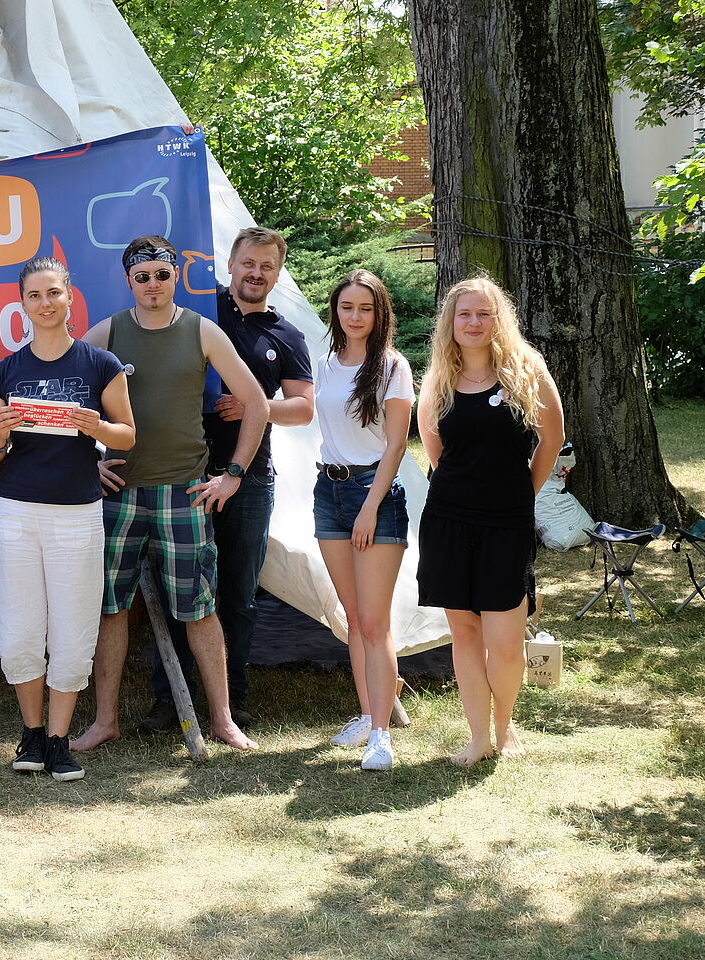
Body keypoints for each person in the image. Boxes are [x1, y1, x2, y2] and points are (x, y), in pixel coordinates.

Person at [73, 235, 270, 753]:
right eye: (143, 277)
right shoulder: (107, 333)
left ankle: (224, 720)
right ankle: (105, 721)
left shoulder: (201, 331)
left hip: (185, 494)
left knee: (200, 609)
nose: (153, 285)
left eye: (162, 274)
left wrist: (232, 475)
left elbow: (256, 403)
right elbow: (64, 395)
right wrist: (86, 462)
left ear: (175, 275)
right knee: (110, 610)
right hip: (121, 494)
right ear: (129, 281)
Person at [141, 226, 314, 733]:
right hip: (184, 474)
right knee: (181, 593)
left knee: (237, 593)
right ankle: (168, 698)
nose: (256, 273)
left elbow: (303, 408)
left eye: (267, 266)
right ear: (231, 264)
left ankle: (231, 699)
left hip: (250, 479)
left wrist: (256, 406)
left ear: (277, 274)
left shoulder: (286, 335)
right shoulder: (196, 312)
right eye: (248, 263)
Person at [0, 256, 136, 781]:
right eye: (34, 296)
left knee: (73, 628)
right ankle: (29, 733)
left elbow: (128, 436)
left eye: (53, 293)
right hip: (17, 513)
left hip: (77, 514)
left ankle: (59, 739)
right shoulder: (3, 372)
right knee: (20, 628)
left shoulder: (100, 365)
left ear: (70, 298)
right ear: (22, 304)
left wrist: (99, 427)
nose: (45, 304)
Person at [416, 275, 564, 767]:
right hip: (449, 520)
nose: (474, 322)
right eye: (464, 315)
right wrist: (466, 492)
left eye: (483, 313)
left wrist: (522, 493)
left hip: (508, 521)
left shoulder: (526, 368)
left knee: (504, 643)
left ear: (497, 318)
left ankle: (505, 727)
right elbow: (434, 448)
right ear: (451, 324)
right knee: (465, 633)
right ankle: (478, 736)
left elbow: (551, 440)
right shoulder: (439, 375)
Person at [312, 270, 414, 772]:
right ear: (336, 311)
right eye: (347, 307)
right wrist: (257, 406)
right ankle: (368, 712)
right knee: (354, 620)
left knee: (375, 624)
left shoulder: (392, 366)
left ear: (380, 314)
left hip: (373, 492)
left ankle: (381, 735)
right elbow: (307, 415)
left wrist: (370, 506)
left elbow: (397, 444)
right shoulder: (326, 361)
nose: (355, 317)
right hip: (326, 491)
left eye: (365, 308)